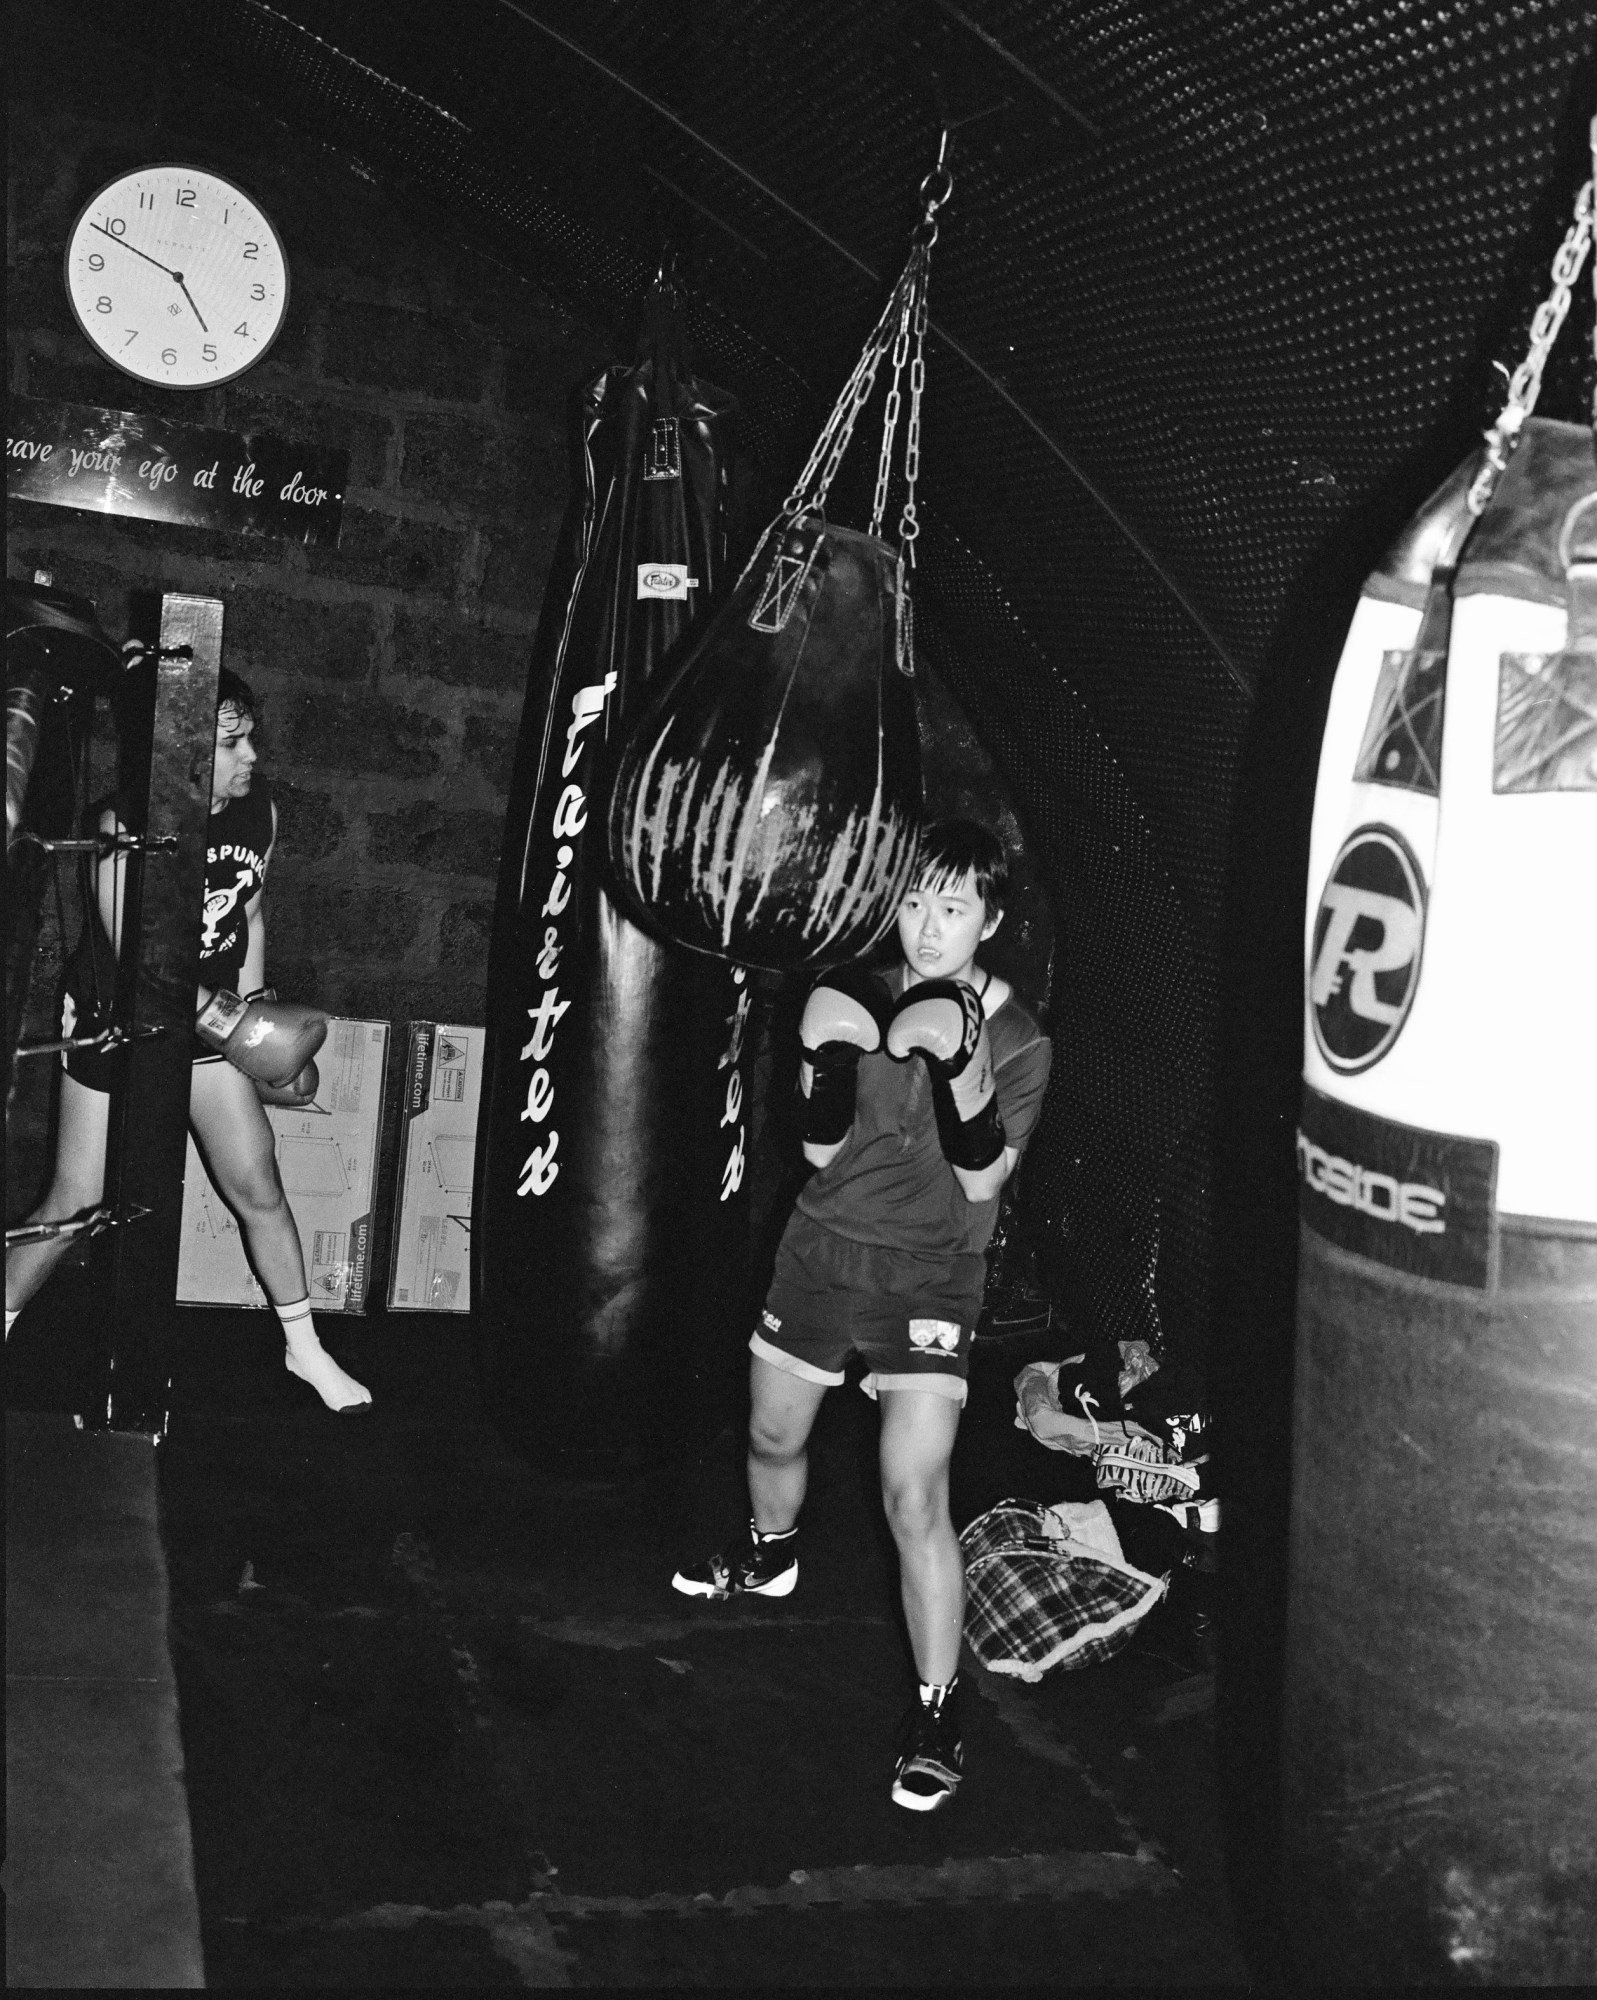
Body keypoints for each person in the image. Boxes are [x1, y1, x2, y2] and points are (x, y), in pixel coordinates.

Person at [673, 819, 1052, 1811]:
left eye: (954, 906)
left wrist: (960, 1067)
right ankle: (770, 1551)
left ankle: (934, 1711)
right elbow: (817, 1152)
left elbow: (984, 1178)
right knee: (768, 1431)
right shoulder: (852, 996)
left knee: (912, 1493)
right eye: (916, 902)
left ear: (992, 919)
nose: (929, 928)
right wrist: (828, 1065)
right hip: (822, 1248)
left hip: (932, 1274)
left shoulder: (1019, 1039)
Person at [5, 667, 372, 1415]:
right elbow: (139, 962)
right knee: (79, 1198)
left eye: (250, 739)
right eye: (232, 743)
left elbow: (253, 914)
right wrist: (239, 1030)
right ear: (184, 747)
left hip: (208, 1019)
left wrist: (256, 1008)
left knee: (258, 1185)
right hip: (117, 1015)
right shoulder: (120, 828)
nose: (252, 757)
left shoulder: (256, 811)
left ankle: (304, 1349)